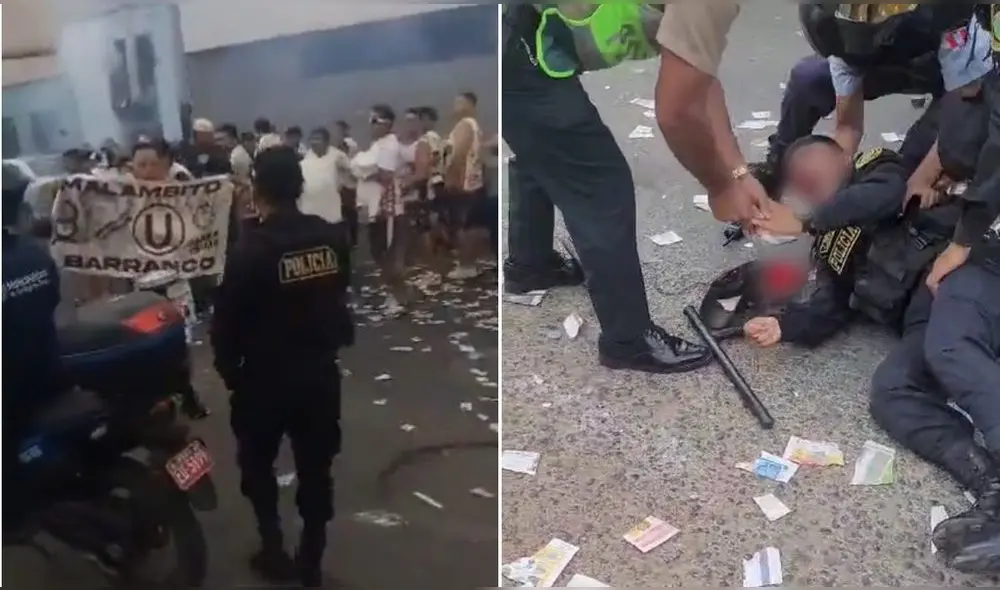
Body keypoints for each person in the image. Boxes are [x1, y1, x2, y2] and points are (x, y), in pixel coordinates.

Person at [503, 3, 717, 372]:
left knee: (540, 145)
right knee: (600, 184)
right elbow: (676, 107)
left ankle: (531, 265)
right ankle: (627, 339)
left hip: (513, 38)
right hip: (518, 46)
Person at [722, 3, 990, 242]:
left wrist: (923, 177)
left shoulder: (953, 19)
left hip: (957, 77)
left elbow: (961, 116)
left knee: (906, 181)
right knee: (809, 79)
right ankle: (774, 171)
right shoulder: (840, 34)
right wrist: (832, 183)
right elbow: (848, 127)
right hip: (890, 57)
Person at [211, 146, 353, 586]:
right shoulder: (332, 237)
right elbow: (338, 292)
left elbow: (226, 324)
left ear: (258, 191)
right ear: (300, 185)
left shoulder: (250, 250)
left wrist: (231, 373)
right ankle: (311, 558)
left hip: (263, 382)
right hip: (318, 374)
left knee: (258, 467)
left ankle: (273, 549)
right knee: (316, 468)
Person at [897, 4, 1000, 572]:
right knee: (896, 386)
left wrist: (963, 236)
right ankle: (991, 482)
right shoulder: (971, 92)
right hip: (968, 266)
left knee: (950, 346)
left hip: (979, 250)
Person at [741, 136, 949, 348]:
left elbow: (887, 194)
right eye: (796, 177)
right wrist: (783, 325)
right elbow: (832, 302)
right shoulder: (824, 241)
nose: (804, 174)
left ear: (845, 158)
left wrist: (808, 221)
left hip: (944, 269)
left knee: (951, 353)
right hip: (916, 312)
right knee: (899, 376)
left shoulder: (873, 166)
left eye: (810, 159)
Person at [129, 139, 211, 419]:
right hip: (143, 292)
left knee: (182, 346)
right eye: (142, 164)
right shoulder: (121, 203)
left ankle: (186, 394)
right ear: (132, 168)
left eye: (154, 163)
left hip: (176, 287)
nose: (148, 169)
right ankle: (161, 399)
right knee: (150, 351)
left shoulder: (181, 196)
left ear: (165, 164)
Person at [351, 104, 411, 314]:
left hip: (389, 210)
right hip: (378, 211)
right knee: (380, 253)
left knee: (388, 255)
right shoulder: (378, 145)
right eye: (370, 121)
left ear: (386, 124)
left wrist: (365, 173)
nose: (371, 126)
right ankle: (395, 295)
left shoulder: (388, 145)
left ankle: (398, 298)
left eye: (375, 121)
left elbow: (385, 175)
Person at [440, 91, 485, 280]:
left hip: (463, 182)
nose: (455, 107)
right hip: (472, 181)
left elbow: (458, 155)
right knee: (471, 223)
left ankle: (466, 265)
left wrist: (452, 179)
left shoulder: (465, 125)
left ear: (470, 105)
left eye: (460, 103)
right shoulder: (473, 126)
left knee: (462, 224)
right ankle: (469, 262)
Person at [299, 127, 351, 226]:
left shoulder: (337, 156)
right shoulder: (305, 159)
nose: (314, 142)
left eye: (318, 139)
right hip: (309, 206)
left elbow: (351, 171)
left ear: (326, 141)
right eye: (312, 139)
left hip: (330, 205)